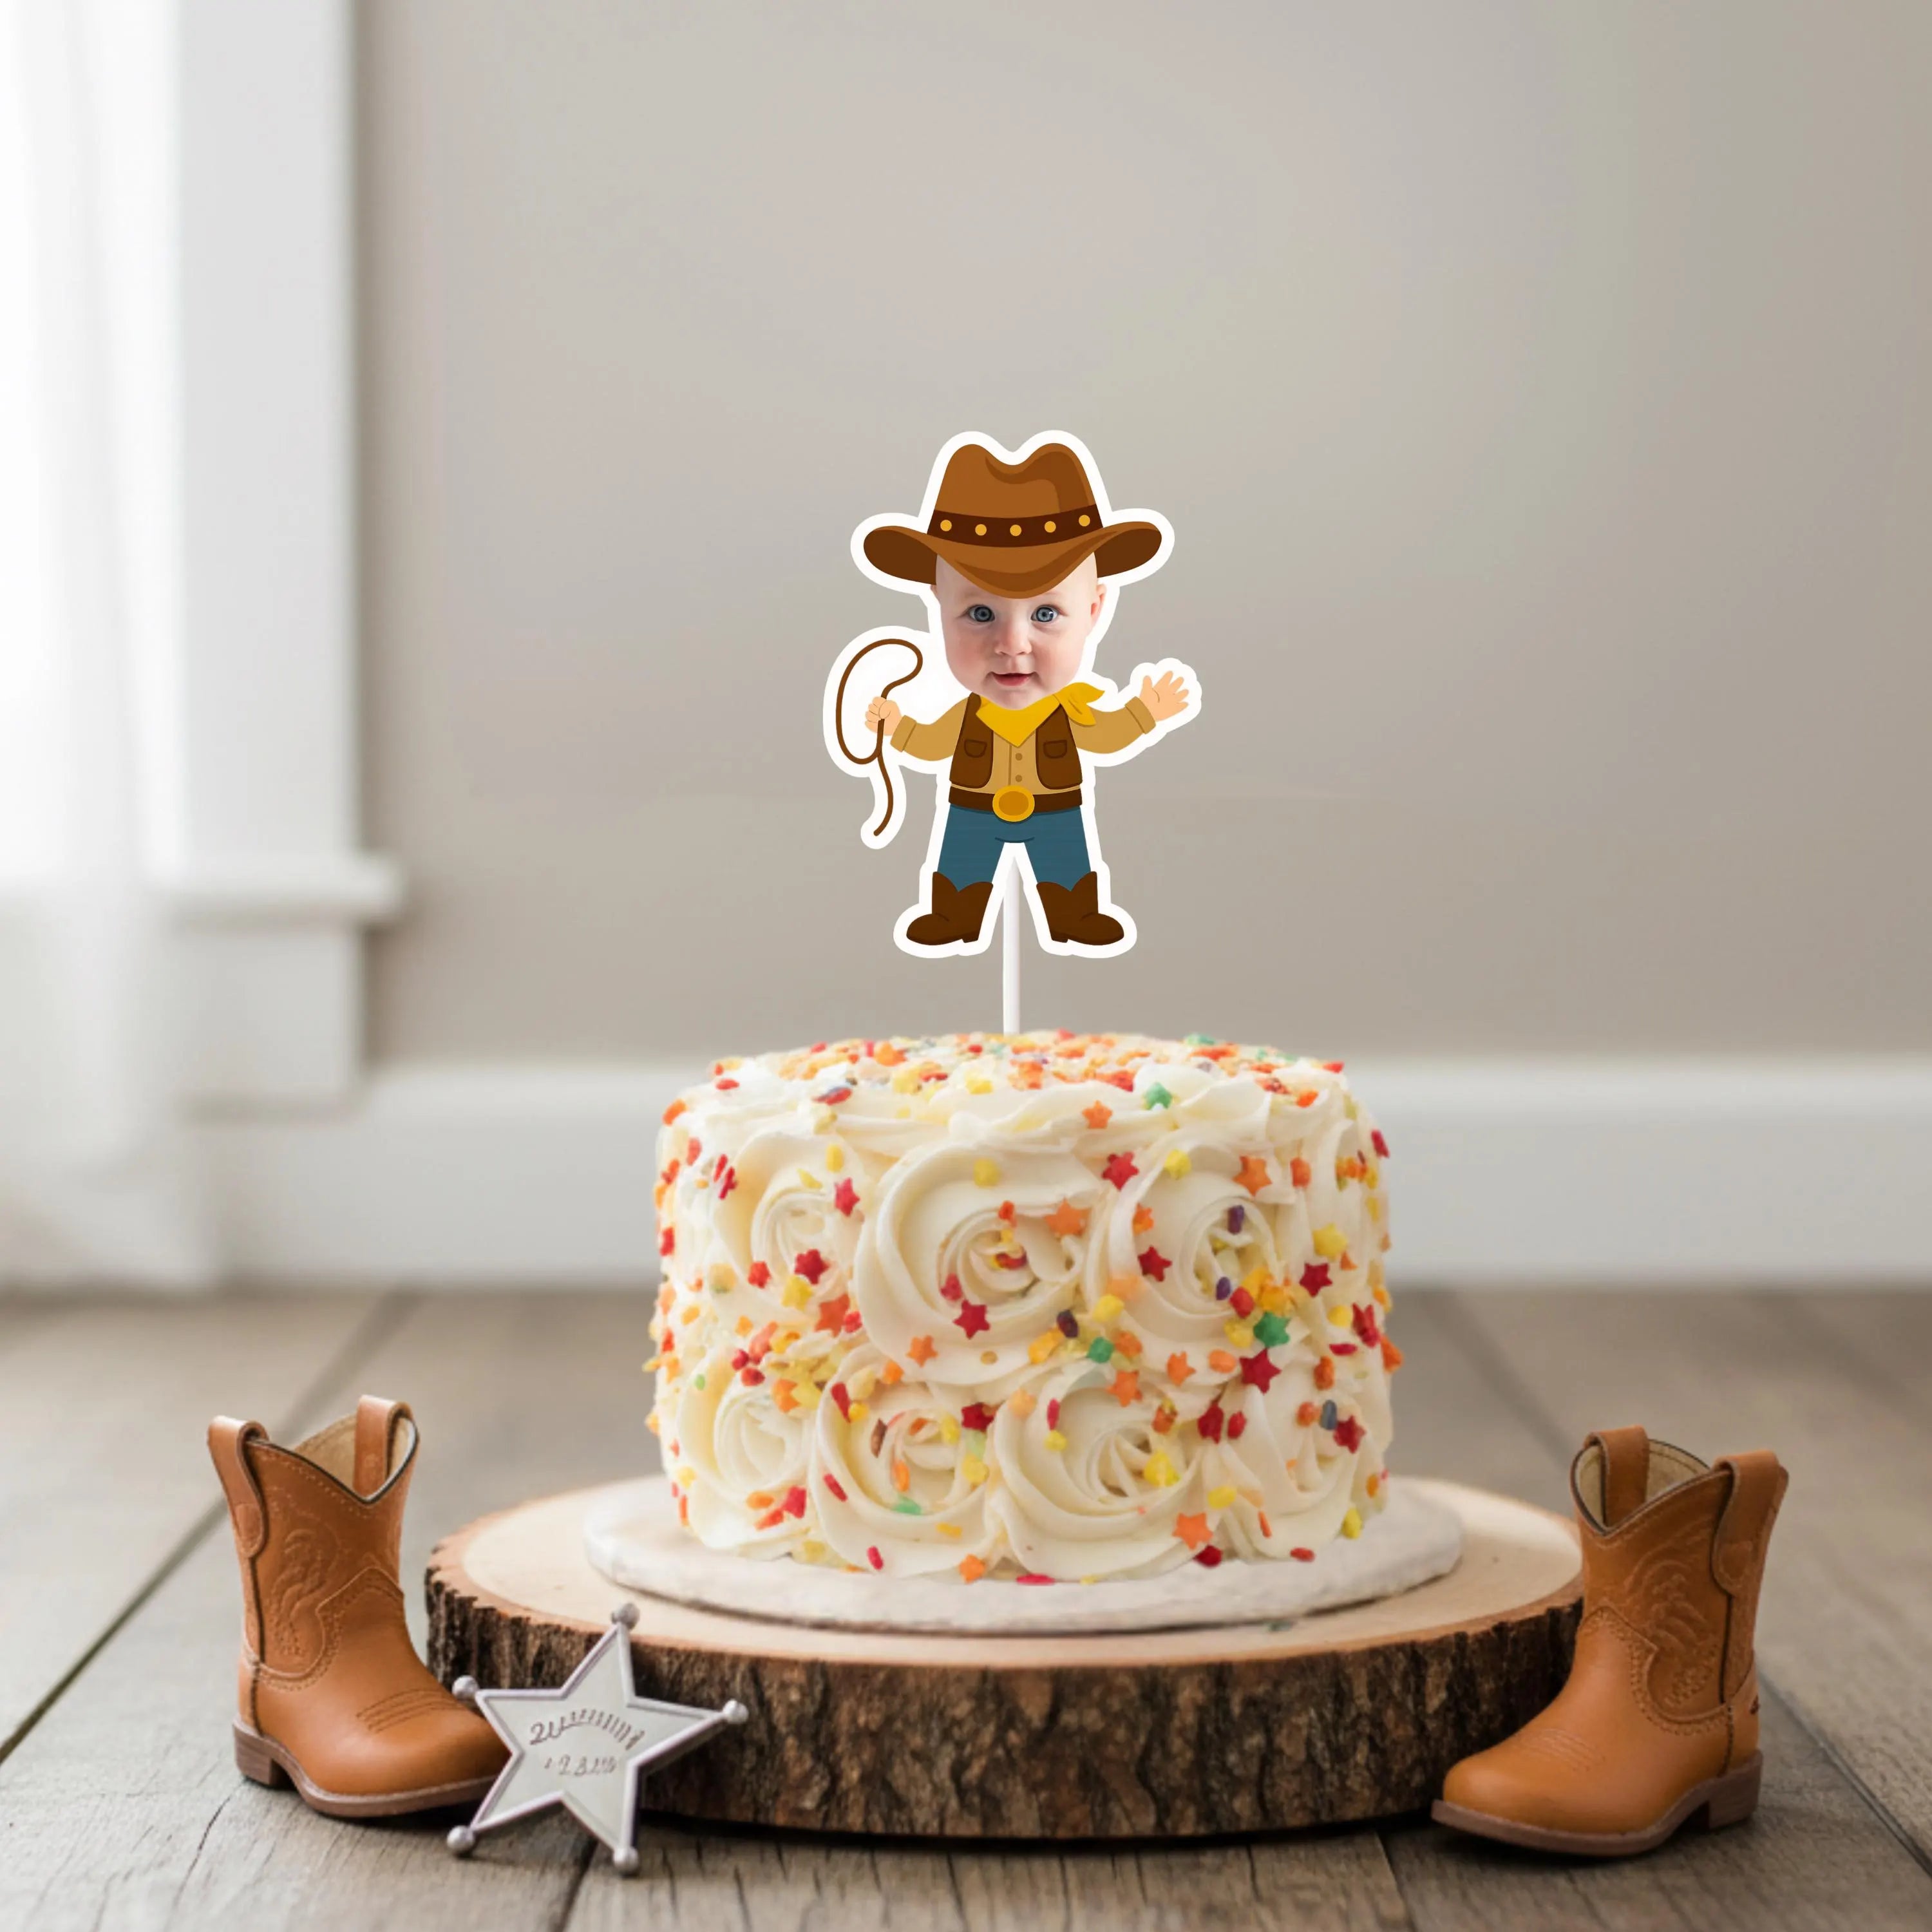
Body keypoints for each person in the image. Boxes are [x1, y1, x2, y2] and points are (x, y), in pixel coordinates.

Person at [857, 439, 1192, 951]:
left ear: (1095, 611)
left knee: (1067, 869)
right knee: (961, 871)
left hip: (1056, 811)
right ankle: (953, 915)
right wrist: (895, 726)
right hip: (973, 810)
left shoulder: (1072, 710)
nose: (1012, 646)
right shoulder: (964, 716)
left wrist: (1145, 712)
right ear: (937, 606)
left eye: (1046, 614)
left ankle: (1075, 914)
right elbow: (929, 745)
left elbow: (1105, 736)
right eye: (980, 614)